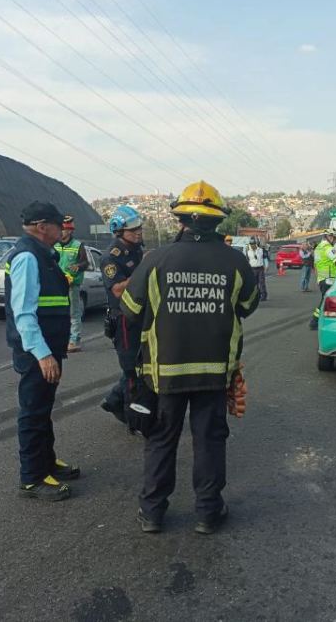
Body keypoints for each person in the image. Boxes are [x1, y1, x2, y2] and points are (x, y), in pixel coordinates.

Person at [120, 180, 258, 535]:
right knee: (209, 440)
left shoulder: (157, 260)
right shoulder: (235, 261)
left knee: (161, 440)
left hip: (164, 373)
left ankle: (152, 513)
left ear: (181, 220)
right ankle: (208, 513)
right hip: (214, 373)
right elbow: (248, 306)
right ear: (217, 222)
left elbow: (131, 309)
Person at [4, 202, 80, 501]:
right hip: (37, 352)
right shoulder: (27, 257)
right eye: (58, 224)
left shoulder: (42, 254)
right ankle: (32, 478)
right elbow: (23, 313)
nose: (63, 229)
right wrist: (43, 354)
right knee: (33, 412)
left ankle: (46, 463)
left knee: (43, 410)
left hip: (47, 347)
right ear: (41, 226)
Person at [100, 205, 146, 430]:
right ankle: (133, 419)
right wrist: (142, 272)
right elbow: (117, 289)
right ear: (119, 231)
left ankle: (114, 400)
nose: (138, 232)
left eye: (139, 228)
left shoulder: (137, 249)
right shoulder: (111, 257)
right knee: (131, 370)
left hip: (140, 314)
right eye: (133, 230)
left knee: (142, 364)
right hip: (124, 318)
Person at [55, 216, 90, 353]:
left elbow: (85, 263)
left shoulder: (77, 245)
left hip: (72, 285)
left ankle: (74, 341)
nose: (60, 232)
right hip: (57, 285)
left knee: (73, 314)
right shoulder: (55, 245)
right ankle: (62, 339)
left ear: (69, 231)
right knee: (59, 313)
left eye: (63, 229)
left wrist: (78, 266)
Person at [309, 229, 336, 330]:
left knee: (324, 300)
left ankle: (318, 321)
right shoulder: (328, 248)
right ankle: (314, 322)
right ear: (330, 237)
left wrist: (318, 278)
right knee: (326, 301)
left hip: (322, 279)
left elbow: (315, 265)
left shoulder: (318, 248)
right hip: (329, 279)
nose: (335, 242)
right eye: (335, 239)